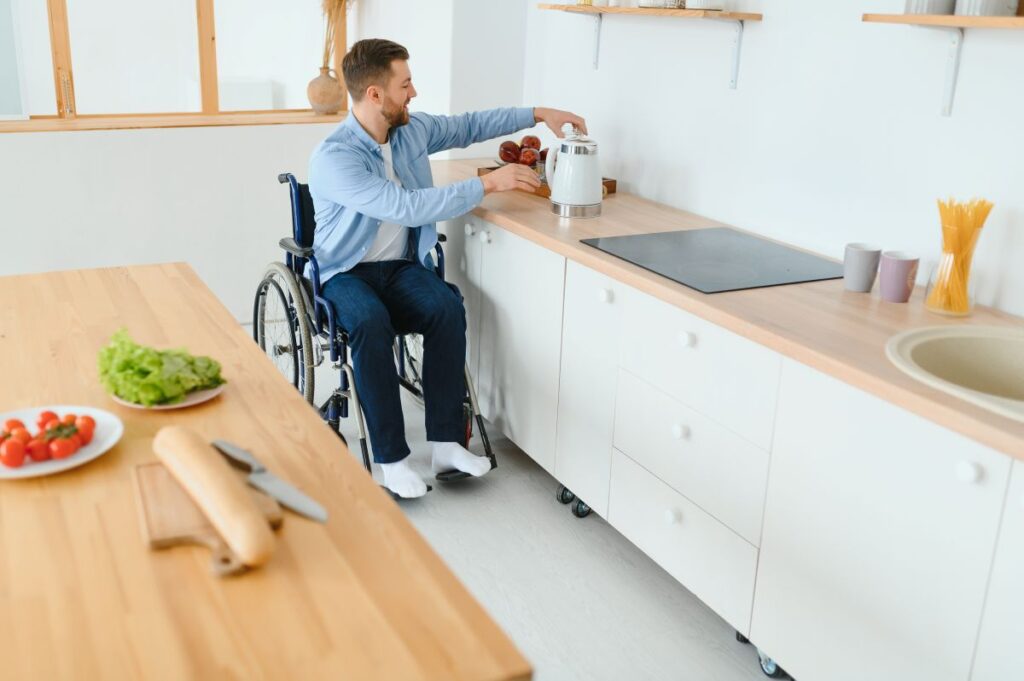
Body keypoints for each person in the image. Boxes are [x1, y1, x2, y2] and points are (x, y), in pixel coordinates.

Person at [308, 38, 587, 498]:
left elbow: (469, 125)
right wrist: (486, 183)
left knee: (445, 306)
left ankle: (444, 444)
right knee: (370, 322)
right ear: (376, 94)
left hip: (399, 268)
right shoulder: (335, 157)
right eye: (405, 84)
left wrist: (538, 113)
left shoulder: (410, 132)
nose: (413, 92)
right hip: (346, 273)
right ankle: (391, 460)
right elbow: (403, 206)